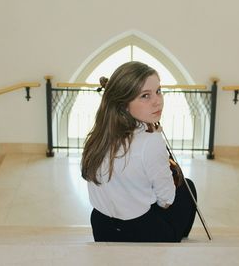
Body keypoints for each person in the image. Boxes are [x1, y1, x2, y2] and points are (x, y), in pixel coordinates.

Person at [81, 61, 197, 242]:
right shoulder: (151, 141)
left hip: (102, 226)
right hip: (141, 231)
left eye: (158, 91)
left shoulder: (98, 136)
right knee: (187, 188)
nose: (157, 101)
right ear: (123, 104)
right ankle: (176, 245)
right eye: (145, 96)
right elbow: (166, 200)